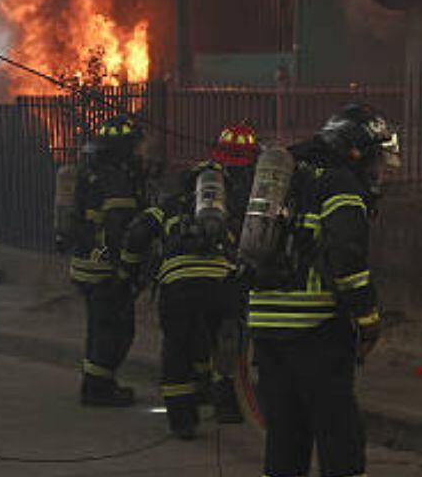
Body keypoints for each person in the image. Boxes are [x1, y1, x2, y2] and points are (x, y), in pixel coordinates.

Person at [247, 103, 400, 477]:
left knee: (285, 436)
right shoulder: (339, 183)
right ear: (356, 151)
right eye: (376, 160)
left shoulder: (289, 175)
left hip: (266, 327)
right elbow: (347, 256)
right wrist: (367, 318)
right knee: (339, 436)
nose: (379, 172)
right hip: (314, 329)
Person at [120, 123, 258, 439]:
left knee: (177, 349)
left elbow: (137, 233)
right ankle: (227, 405)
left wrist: (128, 272)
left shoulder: (170, 204)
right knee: (225, 340)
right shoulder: (236, 201)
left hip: (177, 285)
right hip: (222, 283)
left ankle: (183, 421)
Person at [59, 113, 147, 407]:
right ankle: (98, 389)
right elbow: (118, 228)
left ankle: (97, 383)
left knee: (99, 328)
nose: (138, 153)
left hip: (85, 265)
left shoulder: (91, 172)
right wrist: (126, 269)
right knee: (116, 330)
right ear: (123, 149)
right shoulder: (115, 180)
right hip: (105, 269)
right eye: (134, 147)